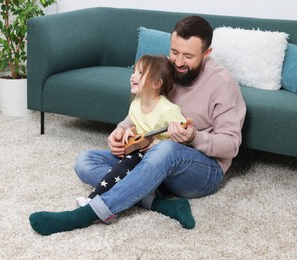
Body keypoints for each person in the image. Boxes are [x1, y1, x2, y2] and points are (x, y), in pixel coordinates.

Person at [29, 15, 246, 236]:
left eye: (188, 56)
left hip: (202, 171)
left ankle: (86, 215)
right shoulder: (165, 70)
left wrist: (193, 137)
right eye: (175, 52)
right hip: (151, 160)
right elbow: (144, 107)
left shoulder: (223, 84)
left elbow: (231, 145)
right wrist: (121, 129)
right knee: (86, 162)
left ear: (206, 53)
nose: (179, 62)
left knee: (166, 149)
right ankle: (162, 203)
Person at [76, 54, 194, 229]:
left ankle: (94, 200)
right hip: (137, 154)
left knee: (124, 167)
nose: (133, 76)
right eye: (134, 71)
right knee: (85, 161)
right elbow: (136, 126)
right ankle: (148, 195)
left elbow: (180, 142)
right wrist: (127, 130)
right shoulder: (136, 103)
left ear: (156, 83)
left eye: (140, 72)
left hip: (155, 163)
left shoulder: (167, 109)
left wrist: (172, 138)